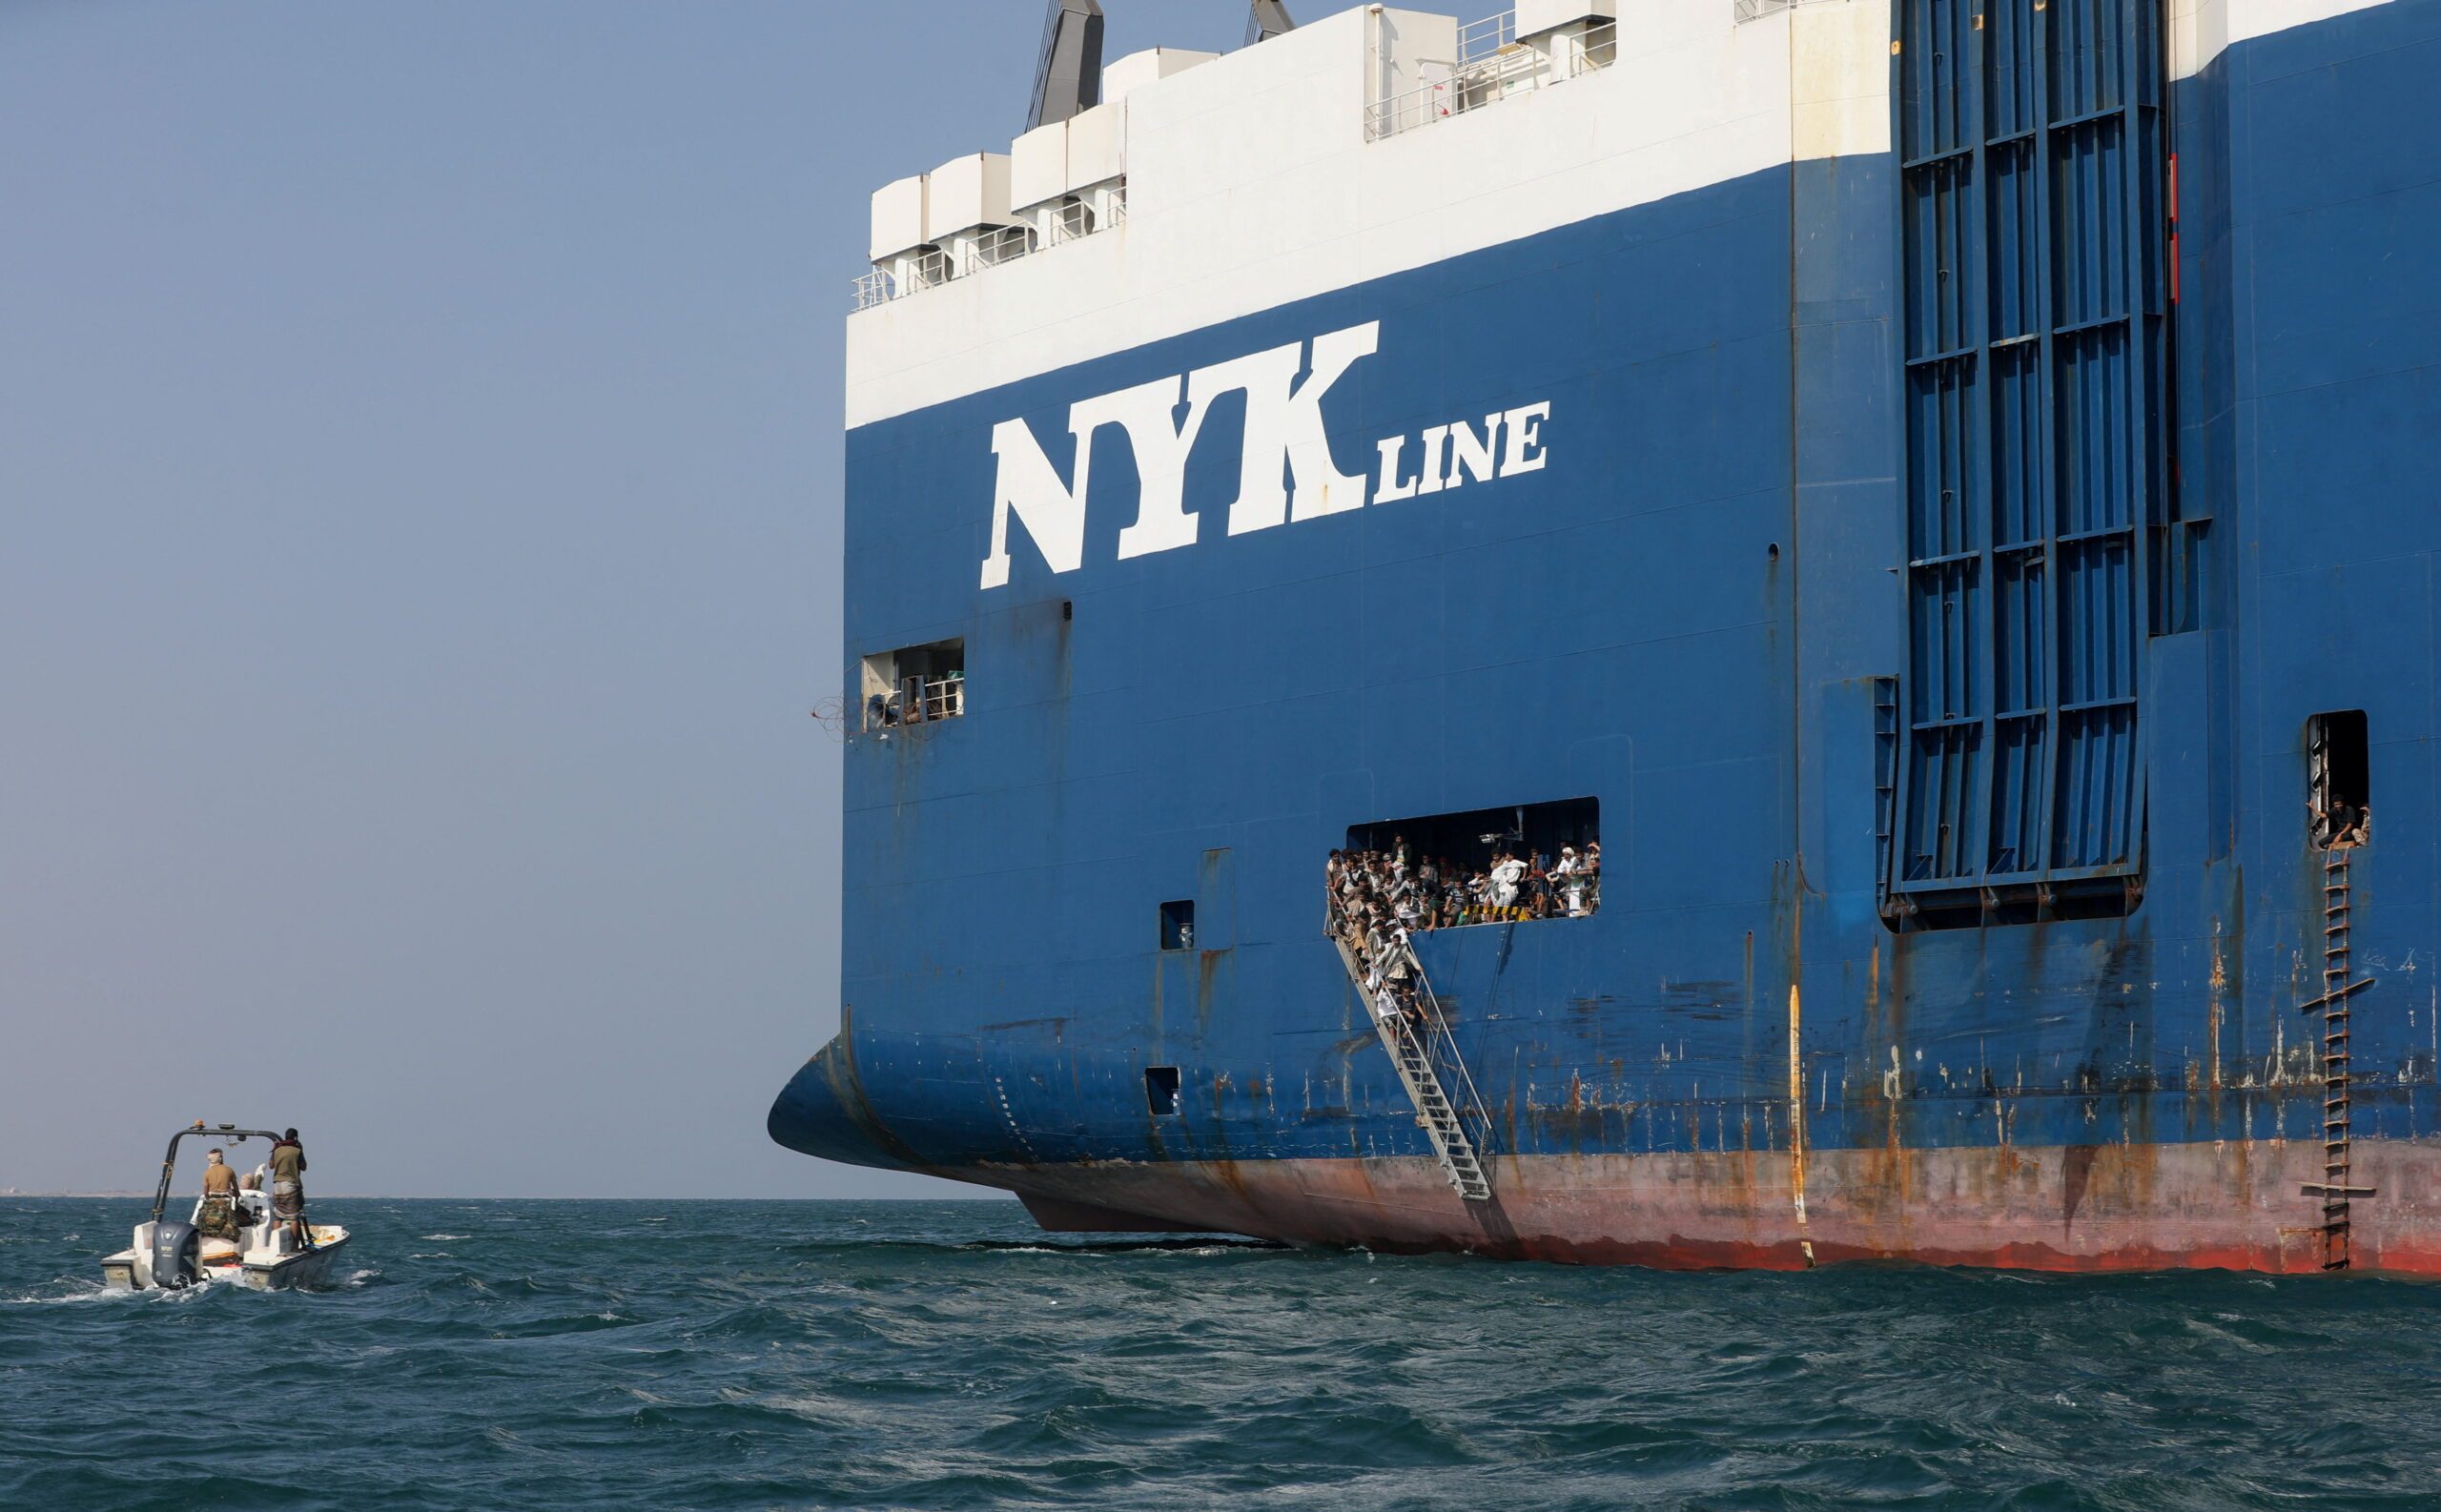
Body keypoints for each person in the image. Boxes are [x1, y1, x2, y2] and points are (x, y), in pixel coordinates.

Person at [269, 1128, 312, 1248]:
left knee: (278, 1216)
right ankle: (294, 1246)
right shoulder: (296, 1150)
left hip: (277, 1185)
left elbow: (271, 1165)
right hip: (290, 1185)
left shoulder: (277, 1149)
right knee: (293, 1217)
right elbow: (303, 1167)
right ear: (296, 1138)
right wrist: (301, 1151)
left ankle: (275, 1245)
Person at [197, 1148, 242, 1241]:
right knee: (232, 1223)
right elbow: (236, 1190)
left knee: (201, 1221)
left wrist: (209, 1200)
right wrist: (237, 1202)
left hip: (212, 1201)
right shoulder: (229, 1170)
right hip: (226, 1202)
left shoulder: (207, 1172)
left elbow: (205, 1192)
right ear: (221, 1158)